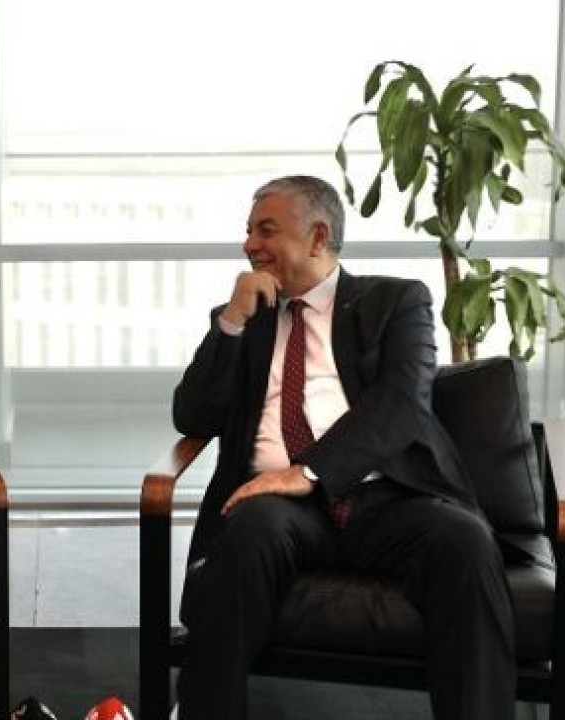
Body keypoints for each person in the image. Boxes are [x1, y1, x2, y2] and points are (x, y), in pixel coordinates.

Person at [172, 175, 516, 719]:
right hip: (276, 510)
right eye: (248, 231)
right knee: (248, 528)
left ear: (317, 237)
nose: (249, 244)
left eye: (266, 230)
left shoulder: (395, 302)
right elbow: (192, 416)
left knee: (465, 541)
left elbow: (402, 403)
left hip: (389, 498)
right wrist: (231, 322)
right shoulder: (245, 316)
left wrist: (308, 471)